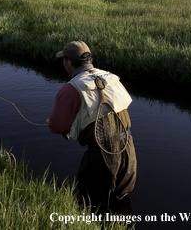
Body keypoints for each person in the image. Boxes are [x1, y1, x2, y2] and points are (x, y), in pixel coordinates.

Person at [48, 41, 136, 214]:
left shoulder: (71, 89)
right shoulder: (111, 78)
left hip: (100, 155)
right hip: (128, 149)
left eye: (63, 60)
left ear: (68, 62)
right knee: (122, 201)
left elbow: (57, 126)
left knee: (93, 206)